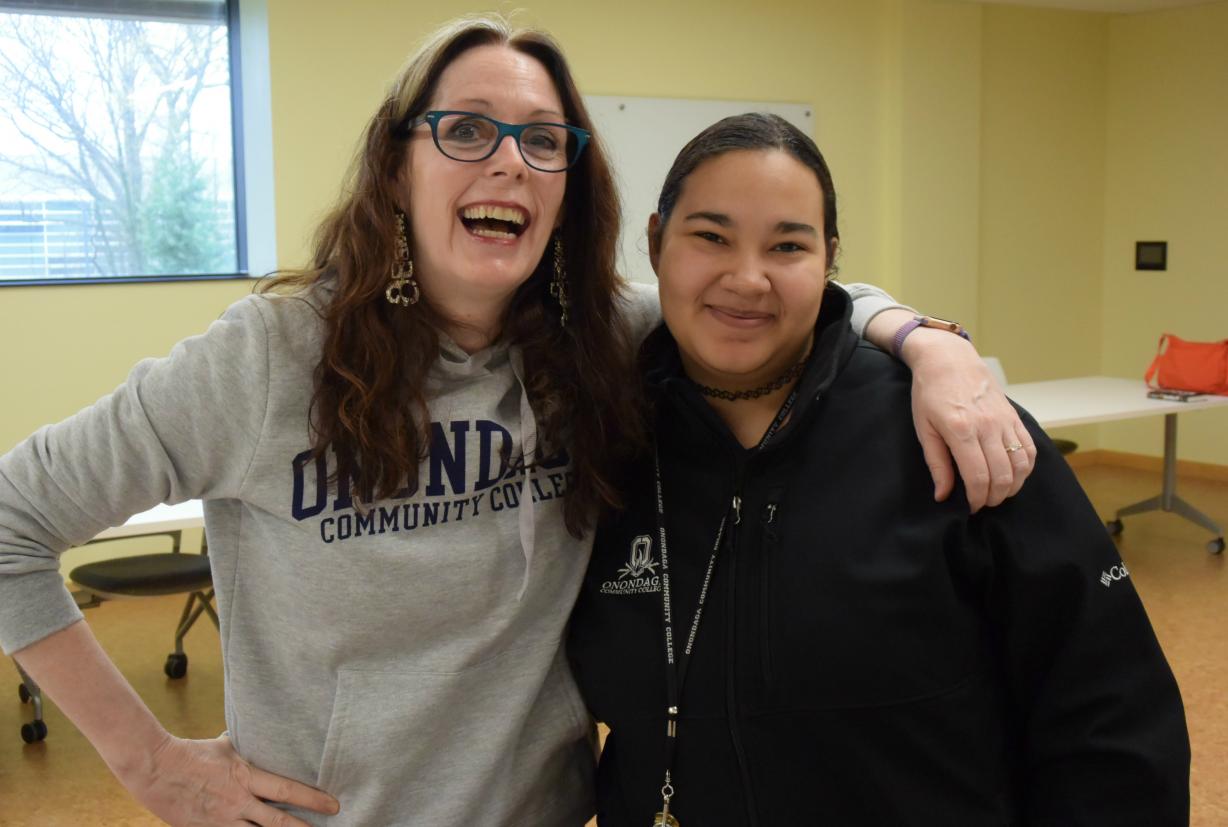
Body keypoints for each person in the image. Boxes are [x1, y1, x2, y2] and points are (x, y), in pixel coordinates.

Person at [1, 15, 1033, 827]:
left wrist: (931, 344)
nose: (508, 162)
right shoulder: (266, 359)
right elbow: (11, 520)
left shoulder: (605, 338)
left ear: (568, 184)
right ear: (396, 167)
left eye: (543, 141)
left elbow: (781, 291)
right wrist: (153, 768)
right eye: (465, 130)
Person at [567, 112, 1190, 826]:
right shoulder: (604, 439)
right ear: (655, 243)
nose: (747, 278)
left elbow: (1108, 715)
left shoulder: (958, 431)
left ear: (829, 257)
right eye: (710, 236)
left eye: (788, 245)